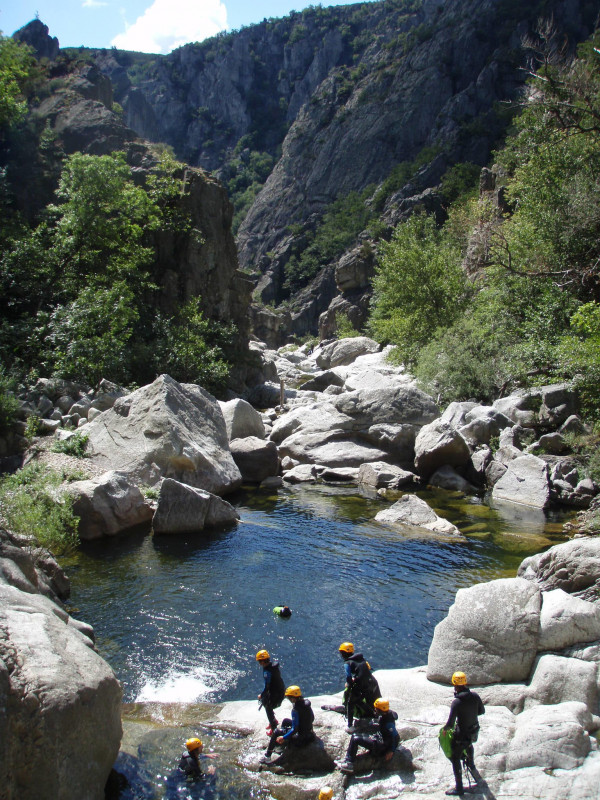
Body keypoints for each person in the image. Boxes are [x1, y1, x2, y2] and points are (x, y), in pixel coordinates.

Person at [442, 671, 485, 796]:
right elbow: (481, 711)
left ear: (455, 685)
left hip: (461, 735)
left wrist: (444, 730)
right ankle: (471, 765)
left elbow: (450, 723)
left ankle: (459, 788)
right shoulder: (475, 696)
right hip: (474, 731)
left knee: (456, 758)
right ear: (465, 683)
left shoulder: (457, 702)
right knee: (469, 745)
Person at [336, 697, 399, 774]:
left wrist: (391, 751)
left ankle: (349, 763)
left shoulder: (388, 724)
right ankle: (347, 759)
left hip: (381, 746)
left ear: (379, 710)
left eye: (376, 708)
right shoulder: (387, 713)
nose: (375, 710)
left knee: (355, 738)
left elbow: (396, 737)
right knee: (358, 734)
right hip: (380, 739)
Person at [260, 685, 315, 764]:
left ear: (292, 698)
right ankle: (281, 744)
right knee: (285, 721)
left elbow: (295, 729)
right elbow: (312, 718)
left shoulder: (295, 710)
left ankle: (267, 757)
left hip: (301, 737)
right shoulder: (306, 704)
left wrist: (284, 737)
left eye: (289, 698)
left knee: (276, 732)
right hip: (309, 732)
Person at [338, 641, 381, 732]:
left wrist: (350, 684)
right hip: (370, 682)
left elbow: (348, 677)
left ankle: (350, 726)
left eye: (341, 653)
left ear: (344, 653)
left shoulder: (347, 663)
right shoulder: (361, 658)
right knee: (361, 700)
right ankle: (374, 715)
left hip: (360, 684)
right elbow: (368, 669)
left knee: (351, 703)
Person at [256, 649, 286, 734]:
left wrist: (261, 695)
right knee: (267, 702)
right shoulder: (274, 666)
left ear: (262, 662)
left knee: (267, 705)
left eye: (259, 661)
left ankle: (273, 728)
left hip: (276, 693)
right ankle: (273, 721)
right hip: (281, 690)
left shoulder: (267, 672)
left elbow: (267, 686)